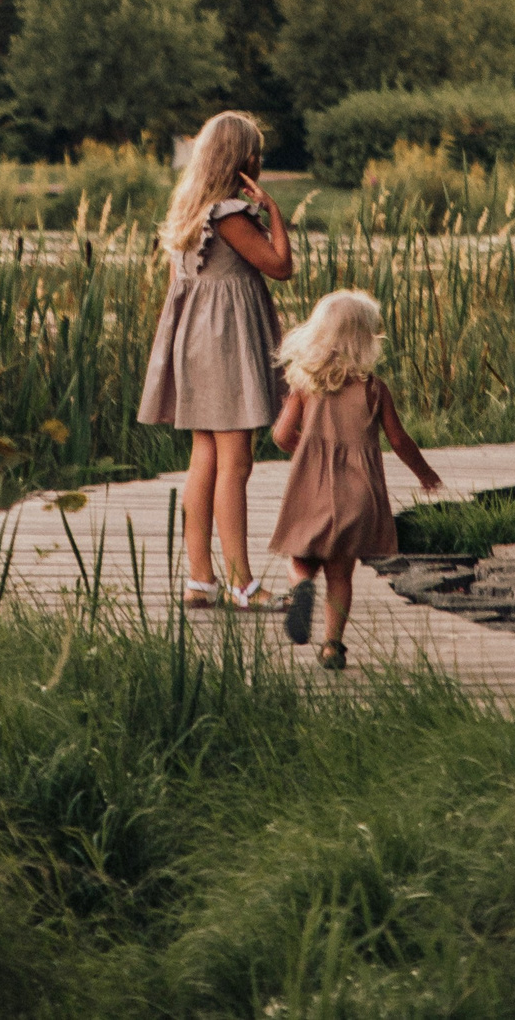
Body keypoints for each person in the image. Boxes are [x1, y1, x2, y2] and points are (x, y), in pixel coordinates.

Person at [138, 111, 292, 609]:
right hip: (225, 346)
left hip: (194, 343)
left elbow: (178, 287)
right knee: (236, 462)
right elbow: (280, 267)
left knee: (203, 457)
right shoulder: (230, 215)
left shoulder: (189, 210)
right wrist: (273, 212)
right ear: (242, 159)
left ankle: (200, 580)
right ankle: (242, 584)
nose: (259, 161)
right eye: (256, 153)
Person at [266, 289, 443, 669]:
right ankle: (332, 646)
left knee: (301, 559)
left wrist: (307, 451)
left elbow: (280, 435)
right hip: (358, 496)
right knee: (340, 572)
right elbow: (399, 440)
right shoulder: (374, 389)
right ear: (365, 340)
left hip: (312, 490)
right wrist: (425, 473)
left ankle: (300, 587)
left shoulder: (305, 384)